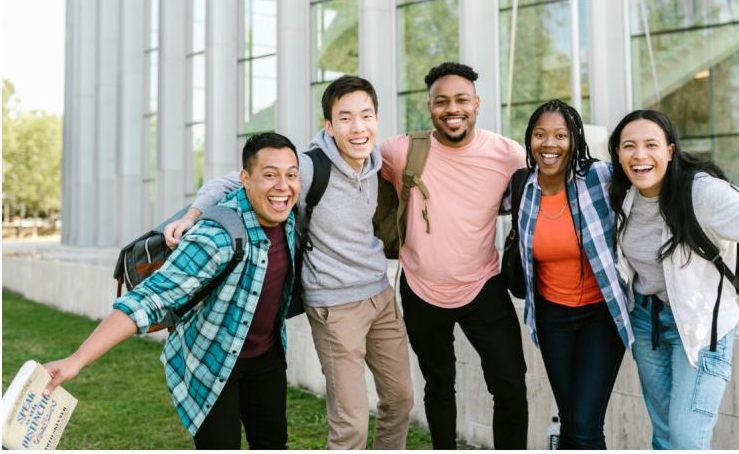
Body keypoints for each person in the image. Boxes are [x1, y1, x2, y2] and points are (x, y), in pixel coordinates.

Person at [165, 76, 414, 450]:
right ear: (328, 126)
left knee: (400, 400)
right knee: (352, 425)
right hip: (334, 306)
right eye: (345, 118)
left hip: (380, 297)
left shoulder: (377, 165)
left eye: (366, 116)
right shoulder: (310, 168)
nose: (358, 127)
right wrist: (192, 215)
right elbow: (234, 182)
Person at [43, 132, 302, 449]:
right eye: (270, 175)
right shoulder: (218, 234)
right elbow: (150, 298)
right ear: (245, 180)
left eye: (291, 175)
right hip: (210, 360)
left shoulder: (288, 217)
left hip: (266, 356)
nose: (283, 186)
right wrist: (77, 360)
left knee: (273, 444)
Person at [607, 109, 739, 449]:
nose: (639, 155)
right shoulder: (623, 196)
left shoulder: (703, 193)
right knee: (665, 434)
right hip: (646, 323)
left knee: (686, 439)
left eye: (651, 144)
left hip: (702, 326)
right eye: (629, 146)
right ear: (618, 154)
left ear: (670, 151)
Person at [379, 62, 528, 449]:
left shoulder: (507, 154)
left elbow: (555, 176)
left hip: (483, 285)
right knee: (439, 385)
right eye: (441, 101)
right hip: (420, 289)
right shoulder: (400, 151)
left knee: (510, 384)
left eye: (461, 99)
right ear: (430, 107)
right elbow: (341, 161)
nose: (452, 109)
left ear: (476, 104)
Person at [511, 99, 633, 449]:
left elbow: (649, 177)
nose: (550, 144)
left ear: (575, 139)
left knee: (584, 423)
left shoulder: (601, 177)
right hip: (552, 318)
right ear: (529, 140)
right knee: (571, 421)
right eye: (540, 135)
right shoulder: (523, 187)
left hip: (601, 315)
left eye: (560, 135)